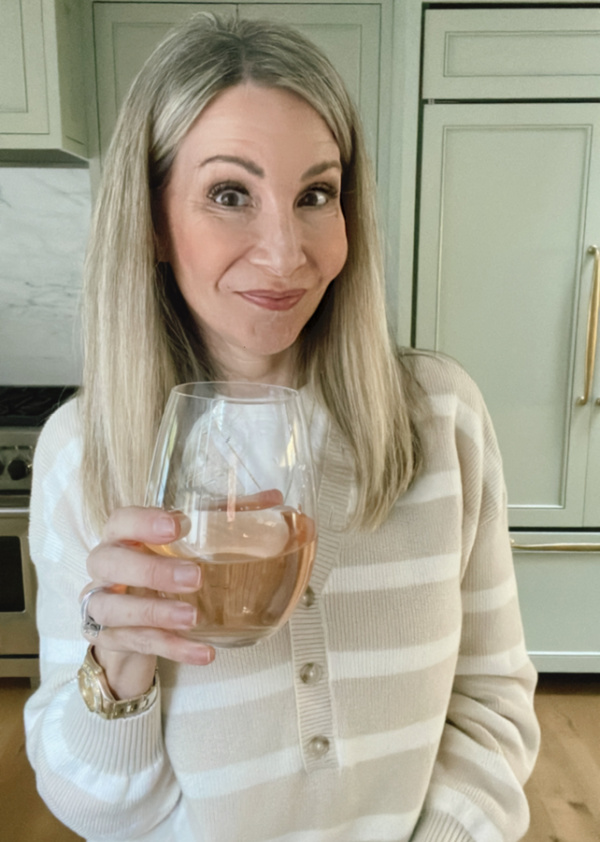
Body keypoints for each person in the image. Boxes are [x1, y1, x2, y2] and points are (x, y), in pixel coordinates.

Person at [24, 13, 540, 842]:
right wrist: (118, 663)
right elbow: (97, 808)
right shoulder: (83, 453)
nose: (285, 251)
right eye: (231, 194)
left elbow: (494, 706)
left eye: (316, 196)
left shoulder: (442, 417)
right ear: (154, 220)